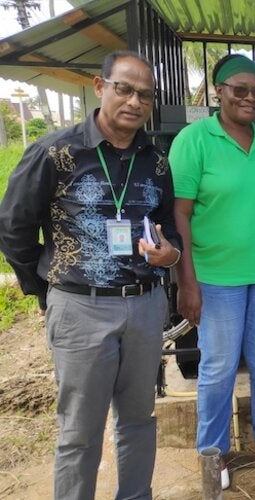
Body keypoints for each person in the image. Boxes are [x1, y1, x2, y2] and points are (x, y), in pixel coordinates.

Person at [0, 50, 182, 499]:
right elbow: (14, 226)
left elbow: (171, 230)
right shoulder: (54, 152)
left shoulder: (155, 162)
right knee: (80, 432)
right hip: (80, 307)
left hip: (144, 305)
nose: (135, 102)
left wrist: (170, 256)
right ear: (101, 88)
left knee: (139, 419)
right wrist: (45, 289)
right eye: (124, 89)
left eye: (145, 94)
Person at [169, 54, 255, 489]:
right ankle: (214, 451)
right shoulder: (194, 140)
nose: (250, 98)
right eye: (240, 90)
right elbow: (180, 214)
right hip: (215, 277)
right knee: (218, 367)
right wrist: (186, 281)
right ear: (219, 91)